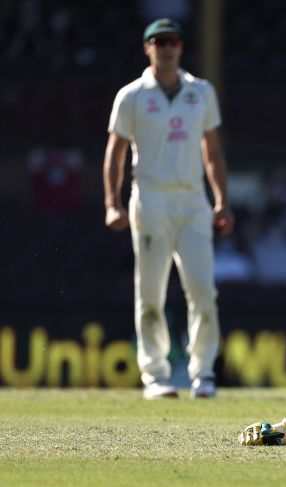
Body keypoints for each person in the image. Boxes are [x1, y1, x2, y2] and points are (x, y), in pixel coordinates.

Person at [102, 18, 234, 399]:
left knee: (203, 291)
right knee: (150, 292)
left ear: (181, 46)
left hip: (193, 201)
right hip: (151, 198)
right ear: (148, 48)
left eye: (172, 41)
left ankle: (204, 372)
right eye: (158, 42)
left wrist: (221, 200)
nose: (166, 47)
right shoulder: (132, 96)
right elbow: (116, 152)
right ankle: (155, 375)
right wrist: (112, 204)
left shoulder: (201, 92)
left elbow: (212, 150)